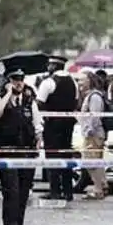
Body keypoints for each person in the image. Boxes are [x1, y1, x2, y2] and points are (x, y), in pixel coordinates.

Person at [0, 58, 43, 225]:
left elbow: (37, 122)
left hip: (27, 154)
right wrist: (8, 94)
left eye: (21, 79)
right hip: (7, 153)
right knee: (11, 193)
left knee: (22, 196)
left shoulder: (29, 100)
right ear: (8, 81)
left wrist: (38, 136)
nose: (19, 82)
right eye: (14, 79)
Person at [36, 55, 77, 201]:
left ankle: (55, 191)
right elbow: (75, 102)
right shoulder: (73, 82)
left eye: (49, 65)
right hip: (68, 125)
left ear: (53, 66)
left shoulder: (48, 82)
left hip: (52, 125)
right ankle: (68, 191)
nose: (48, 68)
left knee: (52, 156)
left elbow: (39, 103)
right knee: (66, 156)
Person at [77, 70, 108, 200]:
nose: (79, 82)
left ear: (90, 81)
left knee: (91, 162)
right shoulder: (89, 96)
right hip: (91, 133)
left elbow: (95, 115)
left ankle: (98, 189)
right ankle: (102, 185)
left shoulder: (94, 96)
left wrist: (89, 130)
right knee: (95, 161)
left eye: (82, 79)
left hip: (93, 134)